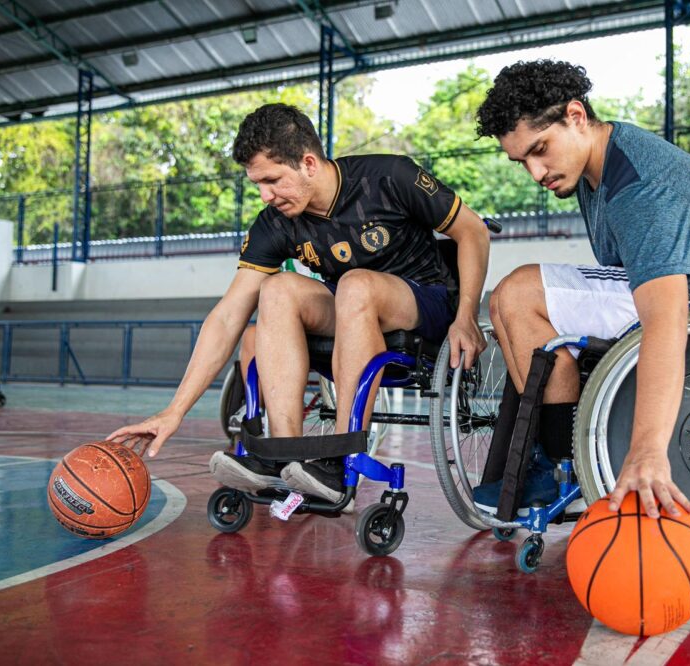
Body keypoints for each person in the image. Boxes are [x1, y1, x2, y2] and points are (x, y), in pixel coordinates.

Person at [108, 104, 491, 503]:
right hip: (349, 307)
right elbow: (227, 316)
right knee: (276, 289)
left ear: (308, 163)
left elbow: (473, 232)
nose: (265, 195)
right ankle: (284, 454)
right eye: (257, 184)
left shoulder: (388, 176)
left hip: (424, 303)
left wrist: (467, 316)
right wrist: (174, 410)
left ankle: (342, 455)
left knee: (356, 284)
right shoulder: (276, 221)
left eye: (272, 180)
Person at [471, 60, 690, 519]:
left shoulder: (639, 186)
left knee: (518, 294)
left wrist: (648, 449)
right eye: (522, 161)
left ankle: (564, 468)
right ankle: (554, 455)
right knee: (507, 303)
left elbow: (666, 320)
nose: (535, 172)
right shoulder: (595, 169)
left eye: (540, 149)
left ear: (576, 116)